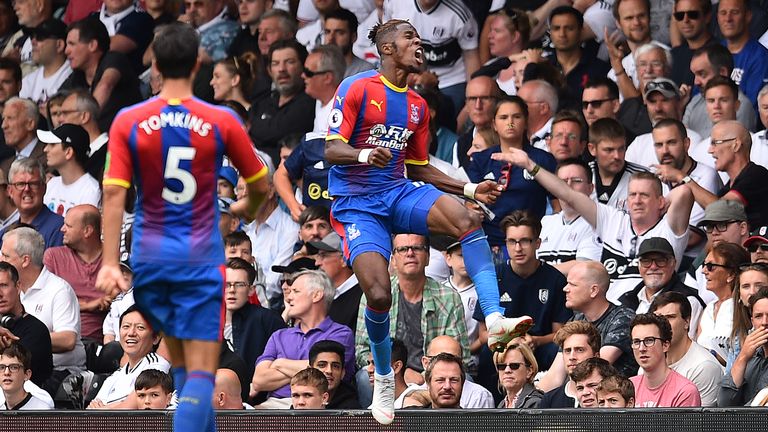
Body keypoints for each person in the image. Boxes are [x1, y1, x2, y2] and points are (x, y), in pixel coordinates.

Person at [325, 19, 533, 424]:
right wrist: (363, 155)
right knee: (380, 295)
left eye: (420, 38)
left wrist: (468, 189)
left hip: (398, 190)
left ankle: (494, 316)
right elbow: (331, 149)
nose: (418, 44)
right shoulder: (357, 88)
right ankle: (385, 377)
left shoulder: (418, 105)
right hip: (357, 203)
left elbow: (419, 168)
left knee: (466, 219)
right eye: (409, 39)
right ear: (386, 49)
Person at [96, 22, 269, 432]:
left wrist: (108, 261)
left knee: (186, 372)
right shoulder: (221, 119)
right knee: (198, 380)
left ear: (155, 64)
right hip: (198, 261)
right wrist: (247, 206)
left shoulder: (128, 120)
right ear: (197, 63)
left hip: (151, 264)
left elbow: (115, 196)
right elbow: (260, 183)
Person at [492, 146, 693, 303]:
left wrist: (662, 204)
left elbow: (684, 193)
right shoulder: (612, 219)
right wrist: (530, 165)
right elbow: (567, 194)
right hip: (603, 310)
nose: (637, 200)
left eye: (645, 195)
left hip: (646, 308)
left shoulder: (669, 228)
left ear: (660, 201)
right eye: (632, 195)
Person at [474, 210, 571, 371]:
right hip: (503, 347)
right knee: (487, 353)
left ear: (538, 243)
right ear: (506, 243)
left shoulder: (555, 279)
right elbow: (483, 334)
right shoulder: (492, 278)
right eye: (512, 241)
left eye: (525, 241)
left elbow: (559, 333)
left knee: (557, 351)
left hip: (539, 347)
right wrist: (509, 340)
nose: (518, 248)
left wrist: (536, 340)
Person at [251, 270, 354, 407]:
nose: (288, 298)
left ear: (316, 295)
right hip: (272, 406)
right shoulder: (279, 336)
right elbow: (259, 381)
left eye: (296, 291)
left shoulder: (340, 334)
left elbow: (324, 374)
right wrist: (307, 370)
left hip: (317, 406)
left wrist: (279, 363)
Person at [1, 227, 85, 394]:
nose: (0, 259)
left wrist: (21, 342)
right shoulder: (8, 296)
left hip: (59, 374)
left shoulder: (59, 290)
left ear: (25, 260)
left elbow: (68, 339)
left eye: (6, 256)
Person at [44, 204, 110, 342]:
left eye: (68, 226)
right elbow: (47, 301)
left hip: (105, 341)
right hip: (61, 340)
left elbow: (121, 300)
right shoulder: (54, 257)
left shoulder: (113, 259)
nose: (62, 229)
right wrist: (91, 305)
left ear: (87, 231)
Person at [87, 306, 171, 409]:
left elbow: (130, 407)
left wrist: (107, 408)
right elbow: (91, 410)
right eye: (126, 326)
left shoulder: (157, 365)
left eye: (140, 327)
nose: (131, 333)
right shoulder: (115, 376)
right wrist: (118, 405)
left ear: (155, 338)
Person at [618, 237, 705, 335]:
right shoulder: (629, 299)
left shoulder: (688, 301)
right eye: (646, 261)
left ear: (673, 264)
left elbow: (687, 345)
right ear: (639, 266)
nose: (653, 267)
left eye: (661, 261)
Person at [649, 292, 724, 406]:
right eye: (658, 318)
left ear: (687, 322)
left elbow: (697, 421)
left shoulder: (704, 367)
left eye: (670, 317)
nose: (662, 324)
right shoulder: (650, 360)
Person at [223, 257, 286, 385]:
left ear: (251, 290)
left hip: (256, 397)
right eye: (227, 284)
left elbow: (285, 359)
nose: (232, 290)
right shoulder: (207, 323)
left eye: (239, 284)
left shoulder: (267, 318)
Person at [536, 158, 602, 276]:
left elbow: (584, 266)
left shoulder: (597, 222)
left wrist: (538, 273)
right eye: (563, 181)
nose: (569, 186)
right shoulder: (546, 222)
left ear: (590, 188)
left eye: (577, 181)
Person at [630, 313, 702, 407]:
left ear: (665, 345)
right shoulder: (629, 386)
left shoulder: (685, 391)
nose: (641, 348)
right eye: (636, 342)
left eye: (649, 340)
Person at [0, 261, 52, 386]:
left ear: (18, 287)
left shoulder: (37, 330)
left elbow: (16, 374)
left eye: (3, 285)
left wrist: (8, 349)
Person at [718, 287, 768, 406]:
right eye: (758, 316)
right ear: (752, 321)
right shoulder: (750, 356)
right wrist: (743, 357)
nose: (764, 322)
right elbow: (724, 403)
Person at [39, 124, 101, 216]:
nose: (45, 149)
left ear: (68, 152)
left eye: (52, 144)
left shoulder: (91, 190)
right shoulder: (51, 184)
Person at [539, 321, 601, 408]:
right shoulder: (549, 400)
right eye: (567, 351)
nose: (572, 357)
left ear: (596, 356)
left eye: (580, 350)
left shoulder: (612, 396)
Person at [308, 340, 359, 409]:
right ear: (309, 370)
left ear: (343, 373)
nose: (329, 371)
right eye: (322, 365)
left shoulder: (351, 409)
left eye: (335, 366)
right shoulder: (300, 398)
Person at [0, 342, 51, 410]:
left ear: (27, 374)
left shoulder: (41, 410)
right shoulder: (1, 409)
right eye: (1, 367)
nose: (6, 372)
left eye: (14, 367)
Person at [493, 341, 541, 408]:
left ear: (529, 371)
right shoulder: (501, 405)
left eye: (514, 365)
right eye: (502, 366)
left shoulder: (536, 403)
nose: (507, 370)